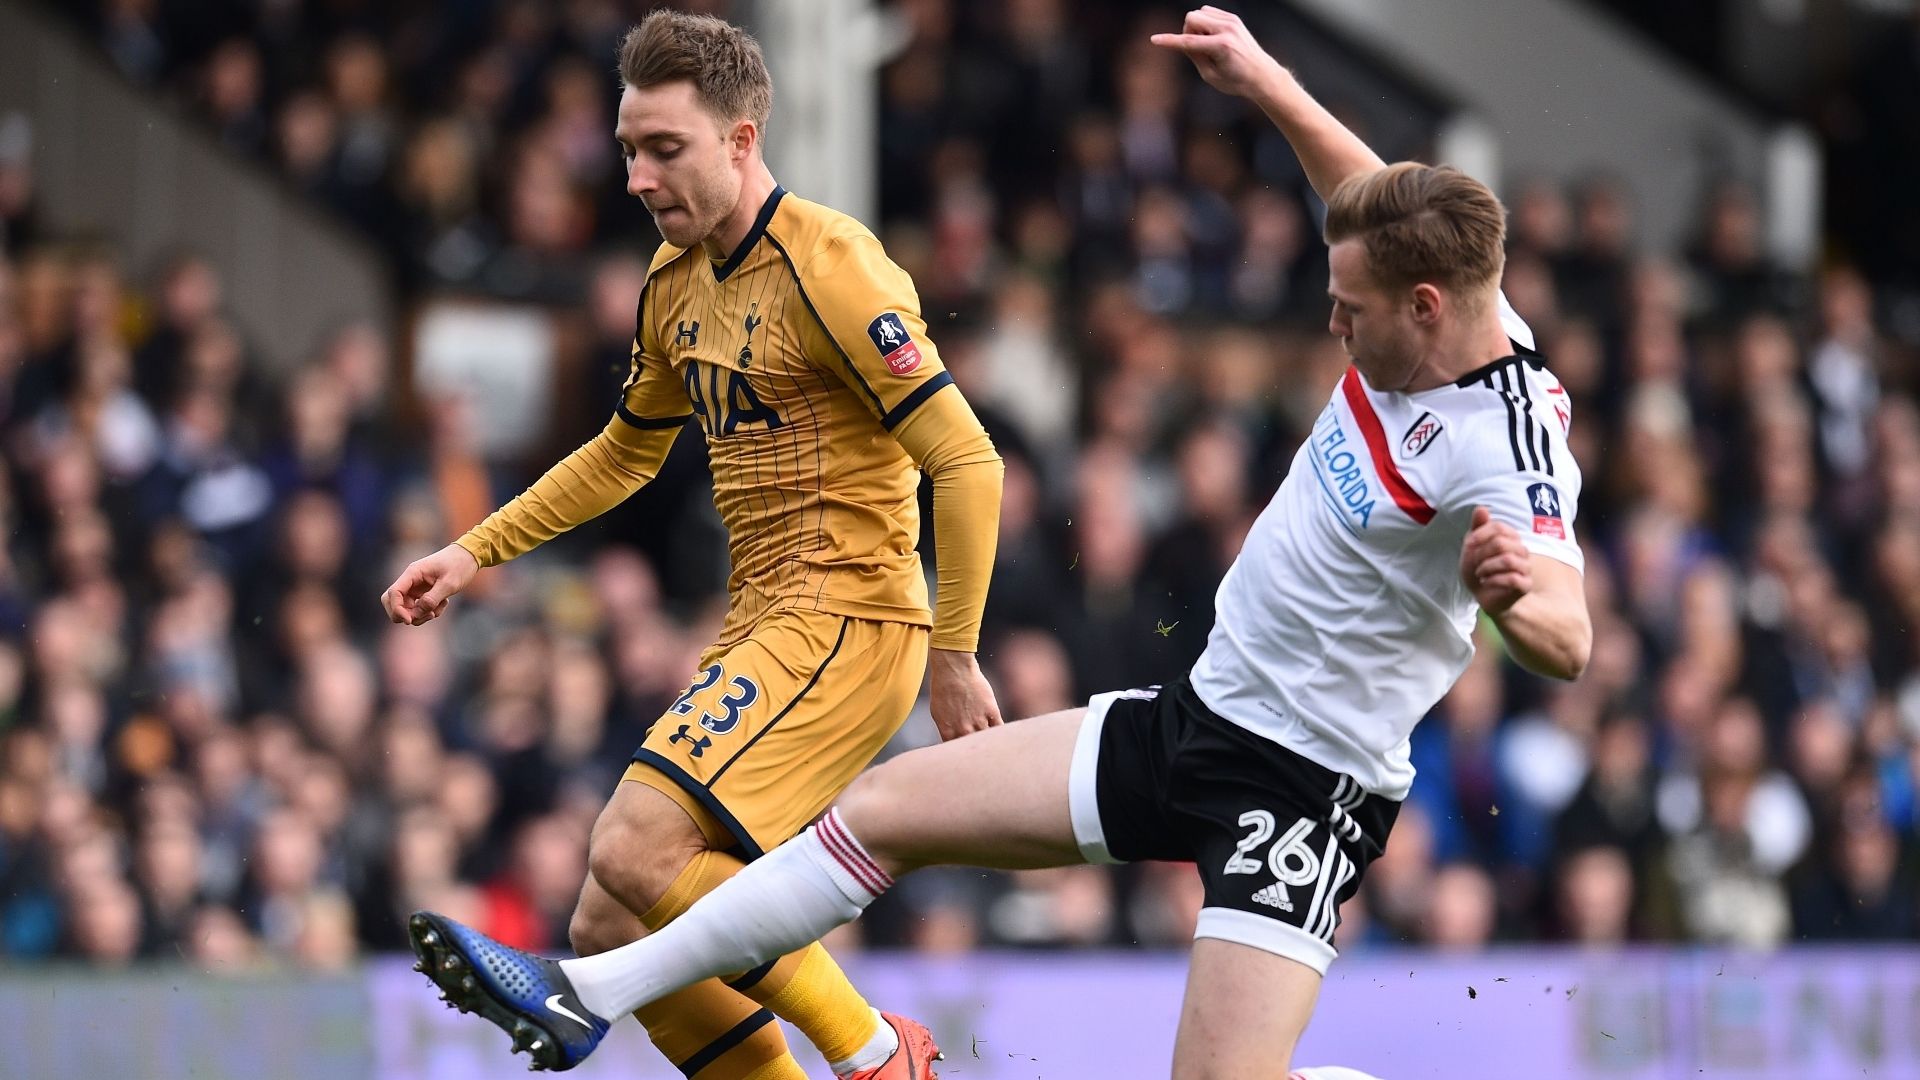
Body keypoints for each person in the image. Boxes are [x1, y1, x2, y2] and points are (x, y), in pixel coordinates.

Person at [405, 7, 1590, 1076]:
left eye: (1351, 311)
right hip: (1197, 716)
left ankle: (700, 1014)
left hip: (1298, 789)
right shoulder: (1427, 275)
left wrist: (1511, 600)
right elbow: (1366, 193)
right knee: (878, 815)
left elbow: (1566, 636)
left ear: (1426, 307)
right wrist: (1264, 78)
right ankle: (612, 998)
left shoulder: (1508, 443)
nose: (1332, 325)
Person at [385, 11, 1004, 1079]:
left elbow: (969, 460)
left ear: (740, 139)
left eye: (665, 149)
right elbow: (623, 455)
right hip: (761, 622)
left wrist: (955, 654)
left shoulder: (834, 265)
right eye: (629, 150)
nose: (637, 177)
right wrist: (476, 550)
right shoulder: (672, 286)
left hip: (849, 619)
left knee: (635, 846)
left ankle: (875, 1052)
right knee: (606, 922)